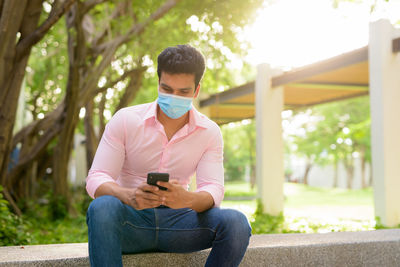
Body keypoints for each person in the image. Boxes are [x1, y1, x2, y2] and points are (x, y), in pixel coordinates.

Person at [86, 44, 251, 267]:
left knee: (236, 223)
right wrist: (128, 195)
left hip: (180, 225)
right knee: (102, 207)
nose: (174, 97)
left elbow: (213, 188)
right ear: (158, 83)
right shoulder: (125, 120)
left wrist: (187, 199)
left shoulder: (209, 132)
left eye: (183, 92)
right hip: (131, 223)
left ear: (196, 90)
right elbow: (97, 177)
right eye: (167, 89)